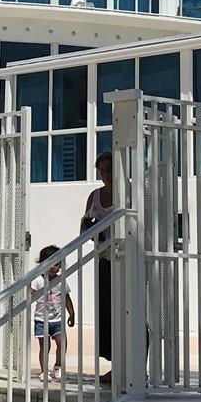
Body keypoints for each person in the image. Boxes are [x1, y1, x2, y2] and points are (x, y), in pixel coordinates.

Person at [80, 151, 116, 382]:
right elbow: (83, 229)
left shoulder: (130, 192)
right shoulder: (94, 197)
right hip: (105, 260)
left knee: (131, 314)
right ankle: (116, 365)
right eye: (101, 171)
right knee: (107, 314)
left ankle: (136, 366)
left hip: (127, 261)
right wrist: (91, 228)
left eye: (109, 170)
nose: (105, 175)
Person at [30, 244, 75, 376]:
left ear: (60, 266)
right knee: (45, 347)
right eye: (49, 263)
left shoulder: (61, 281)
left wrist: (72, 313)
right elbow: (29, 294)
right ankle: (44, 371)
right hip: (41, 320)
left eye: (56, 264)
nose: (52, 267)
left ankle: (58, 366)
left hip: (57, 319)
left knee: (62, 342)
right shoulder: (38, 280)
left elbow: (66, 298)